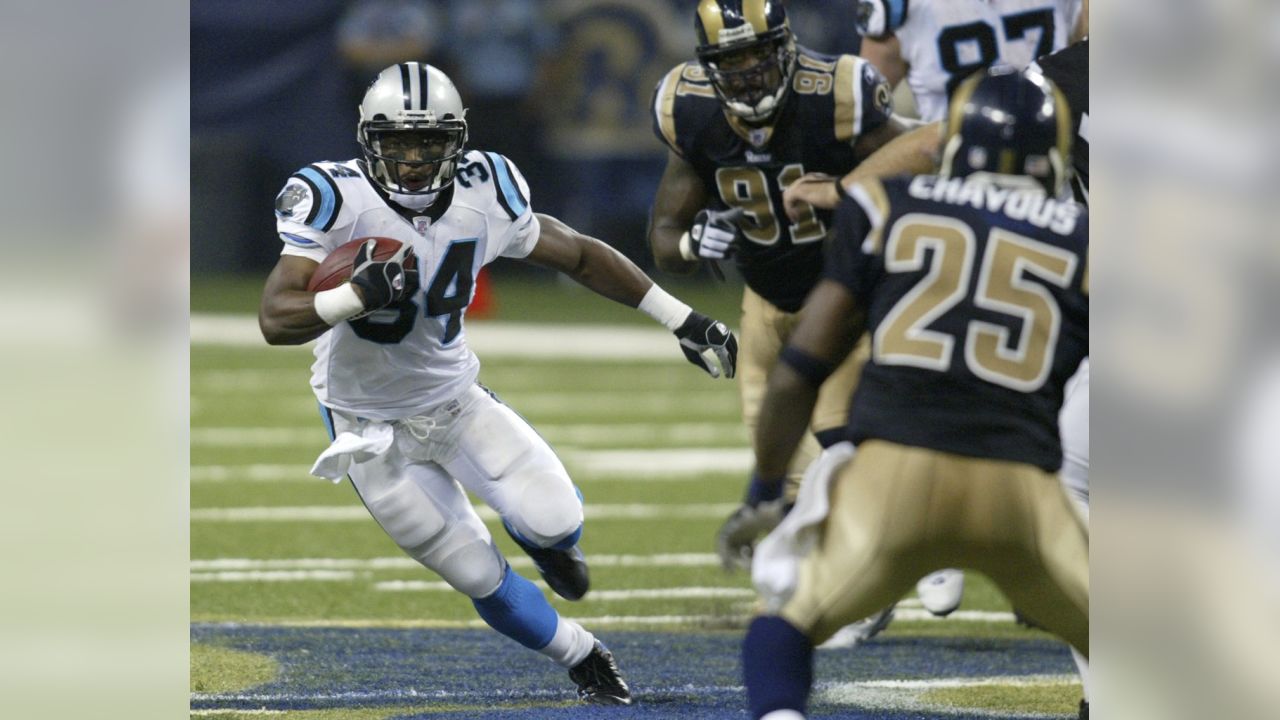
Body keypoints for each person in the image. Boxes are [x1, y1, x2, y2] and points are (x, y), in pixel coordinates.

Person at [258, 62, 740, 707]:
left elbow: (580, 255)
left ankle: (551, 547)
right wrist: (352, 296)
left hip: (455, 401)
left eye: (429, 143)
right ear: (368, 141)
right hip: (367, 430)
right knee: (475, 571)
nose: (412, 161)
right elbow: (274, 318)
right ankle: (583, 656)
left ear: (457, 142)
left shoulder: (488, 187)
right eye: (397, 143)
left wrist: (681, 319)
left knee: (555, 518)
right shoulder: (332, 197)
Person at [739, 68, 1088, 720]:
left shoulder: (887, 206)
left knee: (786, 621)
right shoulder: (1083, 236)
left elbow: (799, 370)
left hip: (892, 472)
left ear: (954, 147)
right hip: (1020, 487)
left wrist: (763, 489)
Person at [646, 0, 906, 596]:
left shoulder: (835, 93)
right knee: (781, 470)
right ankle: (822, 586)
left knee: (838, 450)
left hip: (844, 297)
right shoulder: (689, 110)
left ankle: (866, 583)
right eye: (730, 63)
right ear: (707, 66)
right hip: (763, 305)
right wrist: (690, 243)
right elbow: (662, 238)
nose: (748, 75)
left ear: (786, 48)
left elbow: (914, 167)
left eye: (759, 57)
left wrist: (847, 192)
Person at [856, 0, 1085, 122]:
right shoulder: (900, 8)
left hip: (1055, 158)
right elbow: (866, 115)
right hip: (947, 171)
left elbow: (1082, 65)